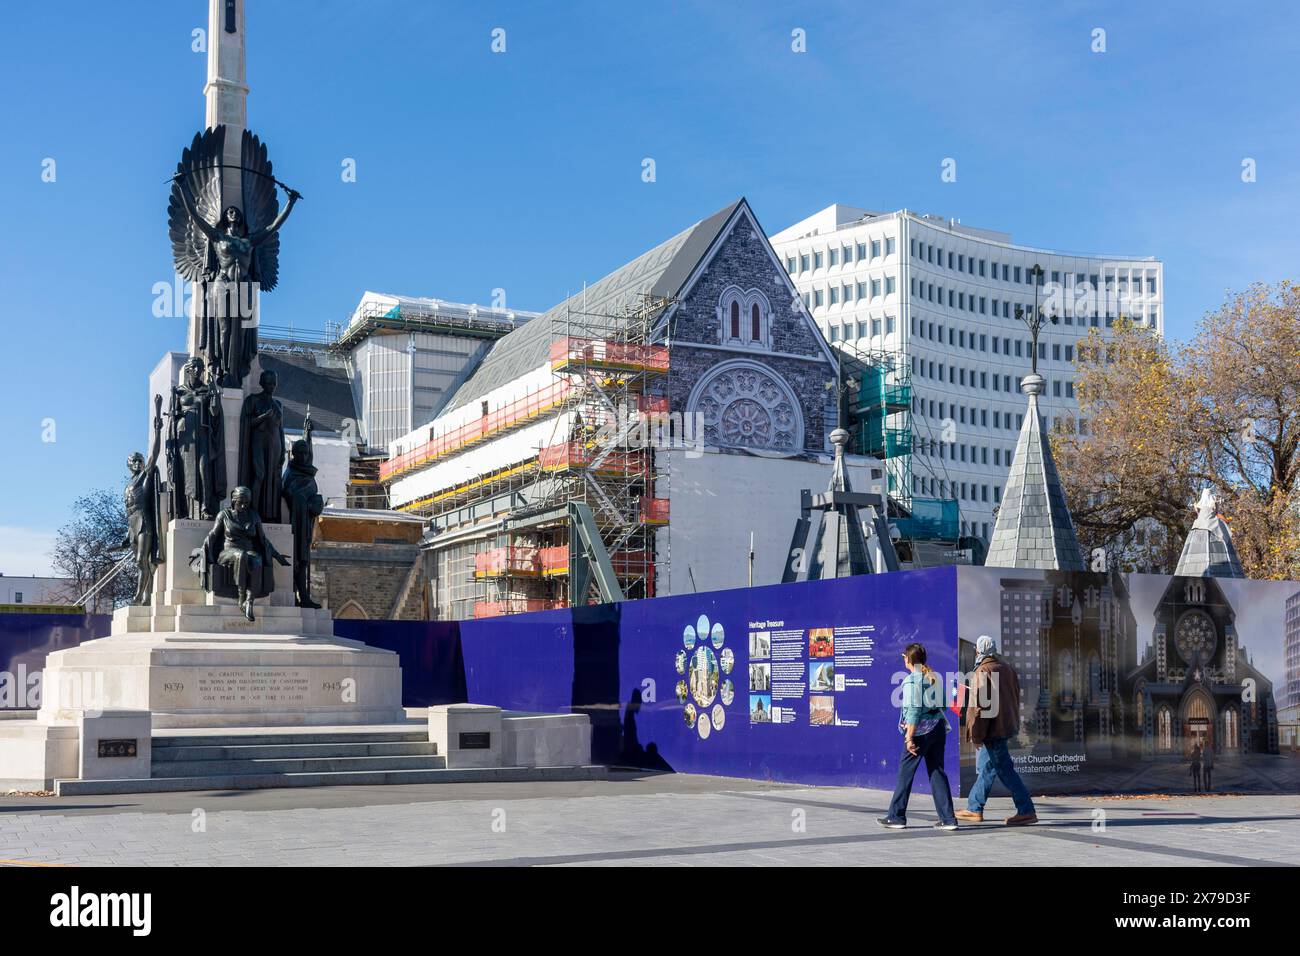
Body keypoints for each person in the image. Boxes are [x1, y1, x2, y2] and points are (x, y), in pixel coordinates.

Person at [956, 635, 1037, 826]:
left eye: (976, 649)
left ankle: (1026, 809)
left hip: (992, 730)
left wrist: (976, 735)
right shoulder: (1007, 669)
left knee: (1004, 770)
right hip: (1005, 726)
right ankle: (974, 807)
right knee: (988, 768)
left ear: (979, 651)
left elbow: (979, 707)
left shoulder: (983, 671)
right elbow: (1015, 698)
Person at [877, 643, 958, 831]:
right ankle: (948, 819)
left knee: (905, 774)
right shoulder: (933, 677)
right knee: (937, 772)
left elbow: (913, 712)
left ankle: (896, 816)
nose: (903, 659)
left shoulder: (912, 681)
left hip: (920, 732)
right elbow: (944, 705)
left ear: (908, 659)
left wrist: (909, 738)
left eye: (904, 657)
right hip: (938, 728)